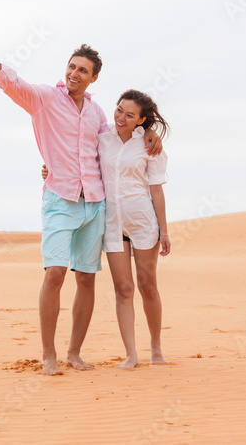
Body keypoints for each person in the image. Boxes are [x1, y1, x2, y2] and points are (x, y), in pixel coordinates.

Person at [0, 44, 161, 376]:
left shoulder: (97, 114)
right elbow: (14, 84)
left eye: (83, 70)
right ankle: (49, 355)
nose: (74, 73)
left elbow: (114, 142)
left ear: (93, 77)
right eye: (71, 66)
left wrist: (148, 131)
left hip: (94, 203)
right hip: (58, 199)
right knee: (54, 273)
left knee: (86, 278)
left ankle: (74, 353)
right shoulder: (45, 99)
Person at [97, 90, 170, 368]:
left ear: (141, 121)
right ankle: (131, 354)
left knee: (148, 286)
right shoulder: (102, 140)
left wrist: (165, 231)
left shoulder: (149, 146)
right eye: (119, 110)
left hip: (143, 223)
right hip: (112, 224)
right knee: (123, 289)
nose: (121, 118)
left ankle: (156, 349)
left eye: (129, 115)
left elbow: (157, 192)